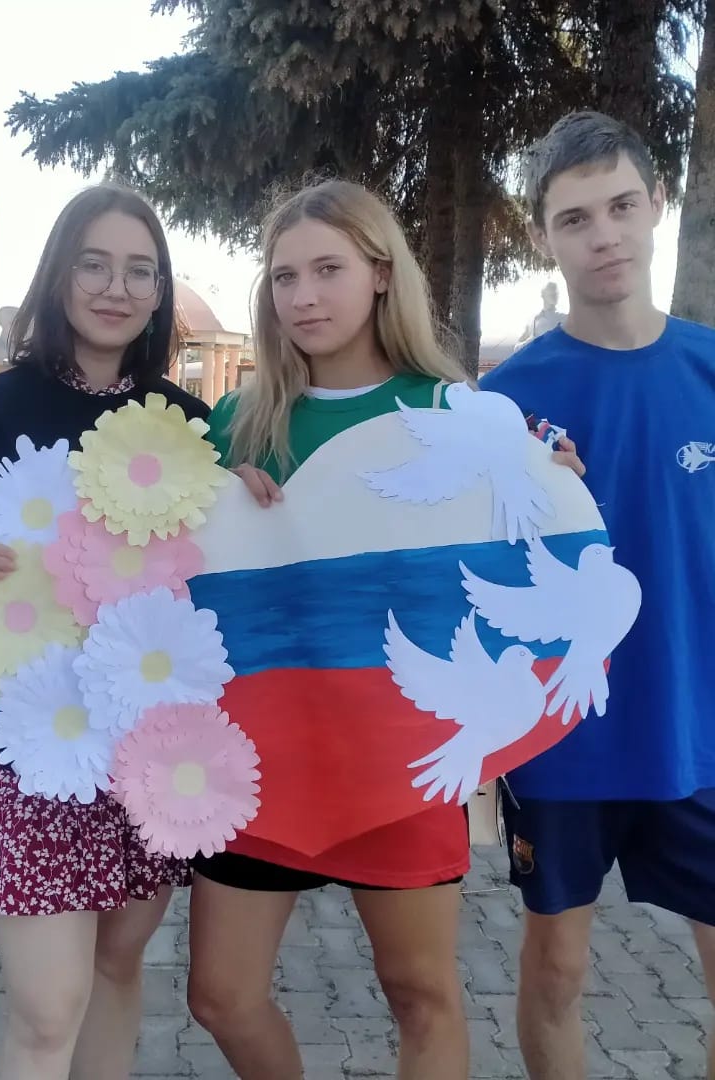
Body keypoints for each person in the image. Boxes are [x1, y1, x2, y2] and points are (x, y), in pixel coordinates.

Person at [184, 178, 583, 1080]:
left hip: (404, 757)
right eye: (285, 277)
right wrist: (214, 504)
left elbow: (527, 557)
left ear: (379, 274)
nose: (304, 297)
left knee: (421, 994)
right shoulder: (237, 421)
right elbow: (172, 576)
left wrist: (553, 483)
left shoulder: (454, 413)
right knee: (221, 996)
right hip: (259, 759)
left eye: (328, 270)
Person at [0, 184, 207, 1080]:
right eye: (94, 264)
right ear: (58, 274)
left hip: (148, 757)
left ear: (159, 293)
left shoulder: (190, 427)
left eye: (140, 271)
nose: (116, 288)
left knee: (118, 972)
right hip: (32, 757)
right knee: (48, 1013)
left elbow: (214, 583)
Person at [480, 110, 715, 1080]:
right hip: (564, 734)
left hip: (698, 727)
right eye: (575, 218)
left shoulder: (709, 366)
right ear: (546, 237)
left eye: (621, 206)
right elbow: (465, 573)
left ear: (657, 204)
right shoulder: (504, 402)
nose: (604, 234)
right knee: (559, 971)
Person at [514, 280, 565, 350]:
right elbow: (516, 347)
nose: (555, 295)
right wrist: (528, 342)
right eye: (551, 293)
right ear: (543, 295)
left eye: (556, 293)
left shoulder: (564, 318)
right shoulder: (532, 320)